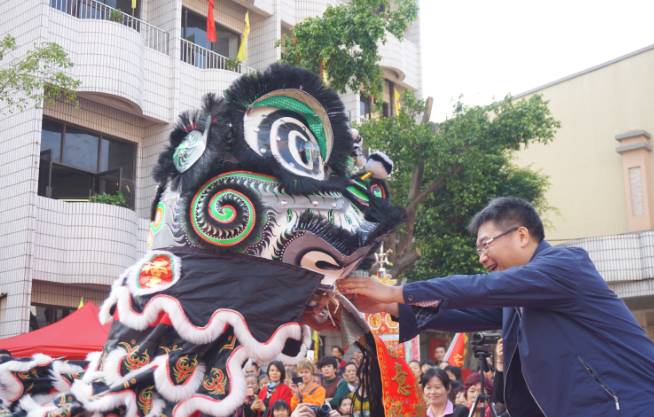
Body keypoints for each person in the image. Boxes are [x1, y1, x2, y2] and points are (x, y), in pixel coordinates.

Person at [338, 196, 654, 417]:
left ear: (521, 235)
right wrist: (387, 307)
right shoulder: (516, 301)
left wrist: (395, 292)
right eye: (478, 249)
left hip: (626, 406)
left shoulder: (565, 265)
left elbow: (482, 288)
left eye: (486, 244)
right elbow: (459, 314)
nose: (482, 257)